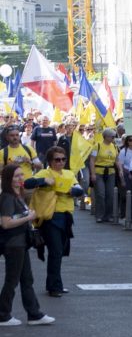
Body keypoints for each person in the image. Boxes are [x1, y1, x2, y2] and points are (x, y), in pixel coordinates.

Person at [23, 144, 83, 297]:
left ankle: (55, 284)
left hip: (66, 217)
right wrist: (43, 180)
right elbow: (27, 183)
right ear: (50, 161)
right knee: (55, 251)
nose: (61, 162)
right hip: (50, 217)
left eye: (63, 159)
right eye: (57, 159)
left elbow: (79, 189)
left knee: (59, 251)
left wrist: (72, 191)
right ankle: (54, 287)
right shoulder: (45, 172)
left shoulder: (69, 174)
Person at [0, 162, 52, 326]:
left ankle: (34, 314)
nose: (20, 178)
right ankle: (3, 315)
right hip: (13, 244)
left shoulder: (17, 195)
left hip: (21, 243)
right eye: (16, 176)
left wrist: (26, 215)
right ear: (8, 179)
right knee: (12, 280)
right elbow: (5, 223)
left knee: (26, 279)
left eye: (21, 174)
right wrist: (28, 217)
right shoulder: (8, 197)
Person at [91, 130, 119, 223]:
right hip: (99, 172)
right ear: (106, 137)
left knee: (110, 195)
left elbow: (117, 160)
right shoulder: (97, 146)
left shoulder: (114, 146)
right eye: (112, 136)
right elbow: (92, 160)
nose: (113, 138)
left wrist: (120, 170)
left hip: (111, 172)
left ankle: (108, 215)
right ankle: (99, 215)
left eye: (114, 137)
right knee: (101, 194)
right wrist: (93, 174)